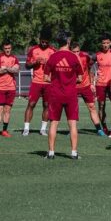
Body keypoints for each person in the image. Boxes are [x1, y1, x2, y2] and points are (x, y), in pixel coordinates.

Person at [43, 31, 84, 160]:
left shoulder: (53, 57)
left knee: (53, 123)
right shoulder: (74, 57)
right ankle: (73, 153)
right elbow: (80, 78)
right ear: (68, 41)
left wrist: (57, 81)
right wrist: (70, 81)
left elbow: (45, 77)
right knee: (72, 124)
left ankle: (51, 153)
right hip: (71, 94)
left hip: (55, 94)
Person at [23, 31, 56, 136]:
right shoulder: (33, 50)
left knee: (46, 105)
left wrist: (49, 64)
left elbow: (57, 67)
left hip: (48, 82)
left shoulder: (53, 51)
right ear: (39, 40)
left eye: (46, 42)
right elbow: (27, 65)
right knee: (31, 104)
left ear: (49, 42)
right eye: (42, 42)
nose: (44, 44)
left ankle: (43, 129)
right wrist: (34, 63)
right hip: (36, 82)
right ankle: (26, 128)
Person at [71, 42, 106, 136]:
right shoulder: (68, 58)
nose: (76, 54)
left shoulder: (85, 57)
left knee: (92, 107)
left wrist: (91, 84)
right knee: (72, 109)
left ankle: (99, 130)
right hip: (72, 86)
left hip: (85, 86)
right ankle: (72, 130)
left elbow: (89, 69)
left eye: (78, 51)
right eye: (74, 52)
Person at [0, 41, 20, 138]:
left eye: (9, 48)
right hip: (0, 88)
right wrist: (10, 68)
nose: (7, 50)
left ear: (11, 48)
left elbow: (16, 70)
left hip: (11, 88)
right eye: (6, 48)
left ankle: (4, 131)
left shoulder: (14, 58)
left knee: (7, 110)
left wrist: (5, 67)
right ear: (3, 49)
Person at [93, 35, 111, 133]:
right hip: (100, 84)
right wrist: (91, 81)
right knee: (101, 106)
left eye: (107, 43)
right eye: (103, 43)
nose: (105, 45)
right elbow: (87, 67)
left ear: (110, 43)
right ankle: (104, 128)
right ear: (101, 44)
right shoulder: (97, 55)